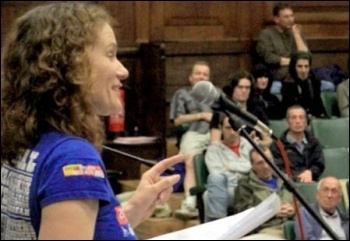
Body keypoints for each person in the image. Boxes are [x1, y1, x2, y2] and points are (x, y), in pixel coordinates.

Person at [1, 2, 183, 240]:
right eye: (110, 54)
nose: (123, 71)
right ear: (71, 64)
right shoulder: (72, 157)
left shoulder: (28, 139)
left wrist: (133, 209)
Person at [170, 61, 218, 219]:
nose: (201, 77)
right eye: (198, 73)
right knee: (190, 160)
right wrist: (201, 115)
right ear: (191, 77)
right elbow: (177, 120)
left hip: (215, 133)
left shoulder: (217, 95)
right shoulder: (182, 94)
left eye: (205, 74)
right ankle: (190, 202)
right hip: (194, 132)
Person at [233, 145, 295, 239]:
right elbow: (244, 216)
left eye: (268, 160)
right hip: (267, 229)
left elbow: (302, 203)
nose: (265, 166)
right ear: (252, 165)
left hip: (293, 226)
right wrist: (271, 211)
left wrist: (294, 209)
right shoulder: (245, 184)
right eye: (260, 163)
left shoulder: (284, 179)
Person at [203, 114, 253, 222]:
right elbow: (217, 176)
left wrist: (229, 166)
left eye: (235, 128)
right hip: (228, 189)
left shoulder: (248, 144)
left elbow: (256, 168)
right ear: (221, 128)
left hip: (249, 187)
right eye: (228, 128)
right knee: (214, 182)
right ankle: (218, 226)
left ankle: (216, 229)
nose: (232, 132)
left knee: (209, 196)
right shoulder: (213, 150)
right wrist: (245, 168)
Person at [255, 2, 309, 94]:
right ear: (276, 19)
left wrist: (297, 35)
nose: (290, 20)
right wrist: (294, 62)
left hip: (300, 76)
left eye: (291, 16)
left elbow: (305, 57)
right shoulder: (266, 34)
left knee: (329, 86)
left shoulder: (296, 33)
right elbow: (269, 57)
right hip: (278, 78)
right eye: (286, 17)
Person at [270, 105, 325, 182]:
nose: (298, 121)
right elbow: (279, 169)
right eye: (293, 118)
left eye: (301, 118)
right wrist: (298, 178)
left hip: (311, 182)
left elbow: (319, 164)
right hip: (289, 185)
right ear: (287, 123)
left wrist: (310, 172)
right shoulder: (277, 145)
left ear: (306, 122)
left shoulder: (314, 142)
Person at [222, 70, 272, 147]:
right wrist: (244, 143)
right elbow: (215, 141)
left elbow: (268, 140)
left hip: (253, 152)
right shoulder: (222, 110)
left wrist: (258, 143)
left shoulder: (257, 110)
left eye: (247, 88)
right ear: (232, 89)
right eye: (240, 87)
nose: (244, 91)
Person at [280, 51, 327, 118]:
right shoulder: (288, 84)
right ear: (293, 67)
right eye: (300, 66)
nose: (303, 70)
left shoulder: (314, 82)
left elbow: (319, 105)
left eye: (306, 66)